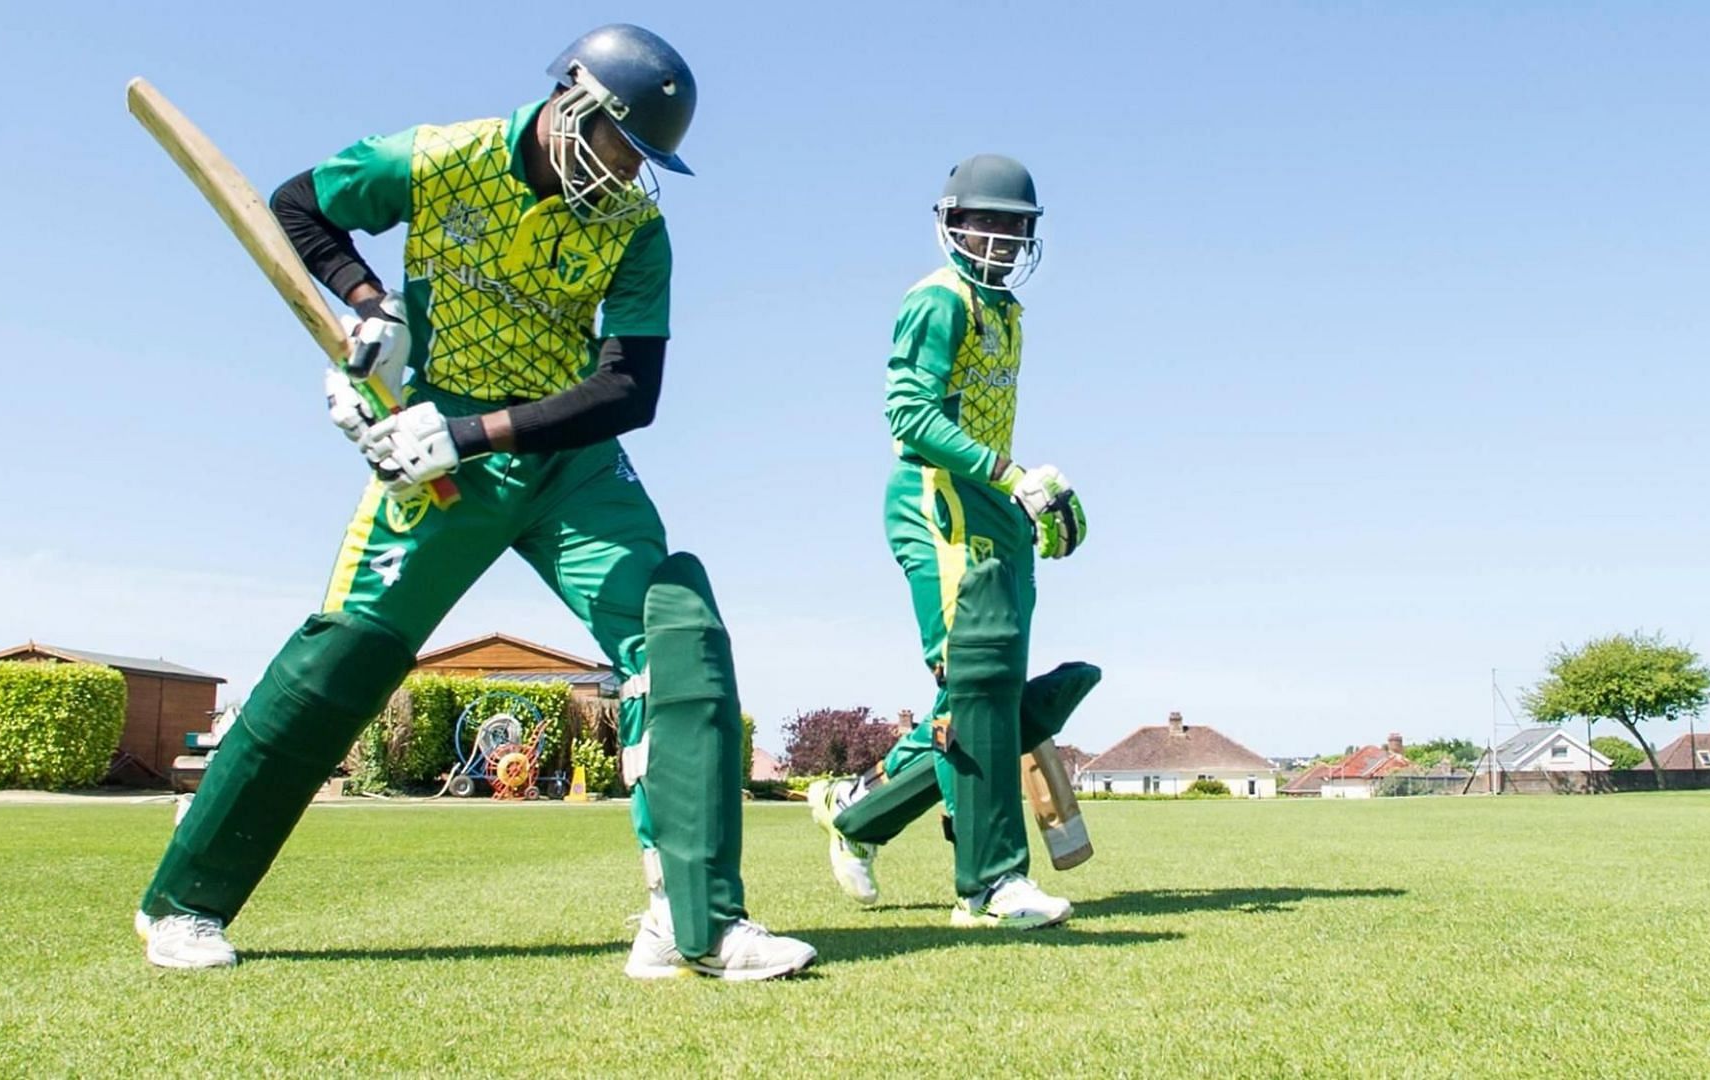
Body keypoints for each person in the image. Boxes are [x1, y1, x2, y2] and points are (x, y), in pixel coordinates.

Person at [133, 24, 815, 981]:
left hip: (565, 459)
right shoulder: (440, 158)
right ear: (573, 101)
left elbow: (631, 391)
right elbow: (298, 206)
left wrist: (473, 433)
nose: (625, 173)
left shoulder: (634, 228)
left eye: (643, 160)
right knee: (347, 659)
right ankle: (184, 904)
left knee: (678, 632)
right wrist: (374, 307)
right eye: (620, 143)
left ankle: (693, 921)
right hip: (434, 460)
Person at [807, 155, 1099, 928]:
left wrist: (1021, 500)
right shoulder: (939, 302)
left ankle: (856, 814)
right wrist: (1007, 472)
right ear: (952, 224)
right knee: (977, 687)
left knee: (981, 696)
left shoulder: (1007, 312)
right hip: (935, 501)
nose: (1002, 238)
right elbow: (909, 415)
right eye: (988, 222)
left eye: (1016, 226)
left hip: (989, 502)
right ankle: (992, 884)